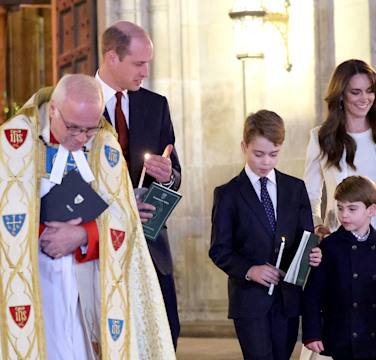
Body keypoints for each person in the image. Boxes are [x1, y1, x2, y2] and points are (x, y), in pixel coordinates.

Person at [0, 74, 175, 359]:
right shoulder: (12, 142)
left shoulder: (105, 144)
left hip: (89, 284)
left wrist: (83, 235)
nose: (81, 138)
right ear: (54, 110)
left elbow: (125, 218)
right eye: (73, 128)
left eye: (89, 130)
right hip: (33, 280)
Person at [303, 59, 376, 359]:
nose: (364, 98)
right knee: (341, 315)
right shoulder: (322, 136)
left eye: (369, 91)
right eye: (355, 92)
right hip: (339, 241)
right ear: (341, 94)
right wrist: (317, 224)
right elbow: (310, 193)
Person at [209, 109, 323, 360]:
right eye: (258, 154)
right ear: (244, 146)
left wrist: (312, 255)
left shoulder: (295, 189)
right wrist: (251, 270)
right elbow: (219, 250)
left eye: (274, 154)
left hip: (288, 300)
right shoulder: (228, 194)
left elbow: (305, 240)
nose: (266, 162)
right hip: (249, 301)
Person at [96, 21, 182, 349]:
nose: (145, 71)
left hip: (150, 242)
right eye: (139, 63)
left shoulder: (155, 105)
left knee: (165, 335)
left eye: (148, 63)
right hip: (97, 243)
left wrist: (167, 174)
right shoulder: (76, 102)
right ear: (112, 57)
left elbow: (176, 173)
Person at [302, 175, 376, 360]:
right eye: (340, 208)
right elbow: (313, 294)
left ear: (371, 210)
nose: (344, 215)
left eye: (352, 209)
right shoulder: (329, 246)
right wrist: (312, 333)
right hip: (339, 332)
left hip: (372, 333)